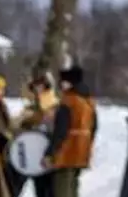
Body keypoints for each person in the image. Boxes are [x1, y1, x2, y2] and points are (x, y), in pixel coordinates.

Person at [42, 67, 96, 197]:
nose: (61, 85)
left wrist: (50, 153)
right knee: (73, 188)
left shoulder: (68, 101)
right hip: (82, 151)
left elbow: (61, 131)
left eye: (63, 81)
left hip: (66, 153)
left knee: (62, 189)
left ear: (69, 82)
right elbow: (94, 127)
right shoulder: (89, 102)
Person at [5, 76, 58, 197]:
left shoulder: (54, 107)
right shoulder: (30, 108)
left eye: (40, 88)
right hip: (28, 155)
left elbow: (55, 128)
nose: (37, 91)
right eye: (35, 88)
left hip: (45, 157)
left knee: (45, 192)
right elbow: (14, 126)